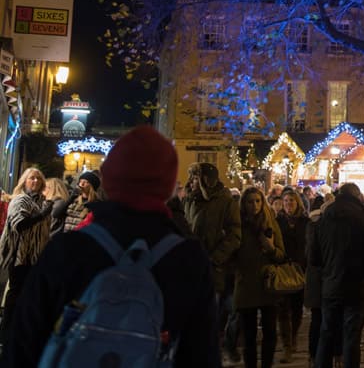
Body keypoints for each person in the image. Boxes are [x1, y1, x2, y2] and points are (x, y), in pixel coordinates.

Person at [0, 125, 219, 366]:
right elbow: (202, 352)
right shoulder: (188, 258)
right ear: (168, 186)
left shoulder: (69, 248)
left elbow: (24, 342)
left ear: (109, 177)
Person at [310, 182, 364, 368]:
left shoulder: (325, 217)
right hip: (356, 287)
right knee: (351, 339)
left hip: (331, 285)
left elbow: (314, 257)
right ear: (358, 196)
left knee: (326, 335)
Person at [184, 161, 242, 364]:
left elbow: (235, 234)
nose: (191, 181)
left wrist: (215, 258)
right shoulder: (189, 199)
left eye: (195, 177)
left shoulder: (225, 201)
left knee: (211, 320)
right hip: (192, 269)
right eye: (190, 176)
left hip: (214, 270)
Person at [235, 186, 286, 368]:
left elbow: (281, 254)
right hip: (246, 284)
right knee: (248, 335)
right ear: (244, 204)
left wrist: (271, 248)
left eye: (258, 201)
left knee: (270, 332)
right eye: (250, 201)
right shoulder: (238, 224)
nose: (254, 205)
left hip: (267, 284)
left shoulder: (270, 222)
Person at [0, 167, 52, 338]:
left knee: (27, 295)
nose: (35, 181)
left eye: (38, 178)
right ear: (24, 181)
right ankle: (6, 332)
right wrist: (43, 214)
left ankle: (18, 330)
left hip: (35, 256)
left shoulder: (42, 201)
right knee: (15, 294)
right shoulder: (20, 200)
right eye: (31, 178)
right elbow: (19, 224)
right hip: (20, 256)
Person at [277, 188, 309, 363]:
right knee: (282, 310)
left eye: (292, 201)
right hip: (282, 268)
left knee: (296, 308)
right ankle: (286, 345)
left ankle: (294, 336)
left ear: (298, 203)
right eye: (286, 201)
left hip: (300, 269)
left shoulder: (305, 222)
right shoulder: (277, 221)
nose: (289, 204)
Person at [304, 192, 334, 365]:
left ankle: (315, 355)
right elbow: (313, 256)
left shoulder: (313, 227)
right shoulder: (317, 228)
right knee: (321, 320)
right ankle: (318, 355)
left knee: (319, 319)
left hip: (319, 280)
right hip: (322, 279)